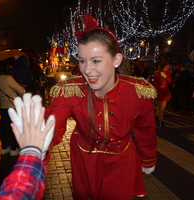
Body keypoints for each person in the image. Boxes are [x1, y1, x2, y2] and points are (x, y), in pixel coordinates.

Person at [43, 14, 157, 200]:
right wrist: (37, 144)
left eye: (96, 60)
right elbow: (54, 122)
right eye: (82, 60)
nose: (87, 70)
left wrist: (148, 158)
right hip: (84, 159)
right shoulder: (71, 90)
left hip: (121, 159)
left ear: (116, 60)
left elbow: (146, 129)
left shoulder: (138, 91)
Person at [0, 60, 25, 156]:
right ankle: (14, 149)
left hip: (3, 106)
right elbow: (21, 90)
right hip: (13, 106)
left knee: (7, 128)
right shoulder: (8, 78)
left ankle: (4, 148)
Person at [153, 61, 172, 127]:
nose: (168, 67)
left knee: (163, 107)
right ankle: (162, 121)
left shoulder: (168, 73)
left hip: (165, 92)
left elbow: (169, 81)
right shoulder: (157, 74)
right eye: (167, 66)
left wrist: (166, 77)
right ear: (164, 66)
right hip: (159, 92)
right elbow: (155, 84)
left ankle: (156, 116)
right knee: (160, 108)